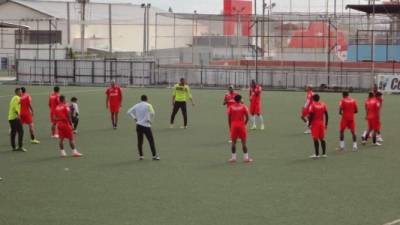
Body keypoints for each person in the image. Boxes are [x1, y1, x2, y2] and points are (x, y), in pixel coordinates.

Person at [127, 95, 160, 160]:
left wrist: (134, 118)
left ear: (141, 99)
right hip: (146, 126)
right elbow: (153, 113)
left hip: (138, 125)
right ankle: (154, 156)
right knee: (151, 141)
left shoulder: (137, 105)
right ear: (147, 99)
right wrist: (150, 120)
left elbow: (129, 112)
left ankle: (141, 156)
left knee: (140, 141)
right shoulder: (148, 105)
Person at [227, 95, 253, 163]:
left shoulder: (231, 107)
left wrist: (230, 127)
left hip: (234, 125)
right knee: (243, 143)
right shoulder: (244, 106)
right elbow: (247, 117)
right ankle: (246, 158)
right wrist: (244, 124)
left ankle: (233, 158)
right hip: (241, 125)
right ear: (240, 100)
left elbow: (229, 118)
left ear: (235, 100)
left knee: (233, 143)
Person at [308, 94, 329, 159]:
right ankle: (324, 154)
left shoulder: (312, 105)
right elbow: (326, 115)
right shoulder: (323, 105)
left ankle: (316, 154)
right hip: (321, 123)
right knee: (322, 139)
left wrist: (309, 123)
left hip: (315, 124)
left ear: (313, 99)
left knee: (315, 139)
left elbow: (311, 115)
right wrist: (326, 124)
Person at [8, 88, 26, 152]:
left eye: (21, 92)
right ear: (17, 92)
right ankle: (20, 147)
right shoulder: (17, 98)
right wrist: (18, 114)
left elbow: (13, 106)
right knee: (21, 131)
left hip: (11, 117)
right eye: (20, 92)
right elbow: (15, 107)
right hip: (15, 118)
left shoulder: (13, 98)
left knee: (14, 132)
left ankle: (13, 147)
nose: (21, 93)